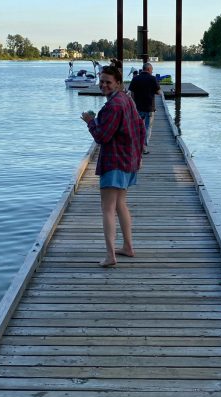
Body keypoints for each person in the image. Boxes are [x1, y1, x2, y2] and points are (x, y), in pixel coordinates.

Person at [81, 66, 146, 267]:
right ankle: (128, 247)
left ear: (118, 83)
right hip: (128, 160)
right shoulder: (127, 100)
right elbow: (141, 128)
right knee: (120, 205)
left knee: (107, 208)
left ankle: (110, 256)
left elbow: (102, 136)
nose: (103, 85)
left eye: (108, 81)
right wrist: (139, 156)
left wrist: (91, 122)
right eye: (101, 81)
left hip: (115, 161)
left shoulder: (113, 106)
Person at [128, 62, 162, 154]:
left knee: (137, 127)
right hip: (150, 108)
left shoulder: (136, 79)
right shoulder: (153, 79)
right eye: (152, 70)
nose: (152, 72)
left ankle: (136, 146)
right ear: (148, 69)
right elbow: (159, 92)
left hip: (138, 108)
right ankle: (144, 147)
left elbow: (130, 93)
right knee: (148, 127)